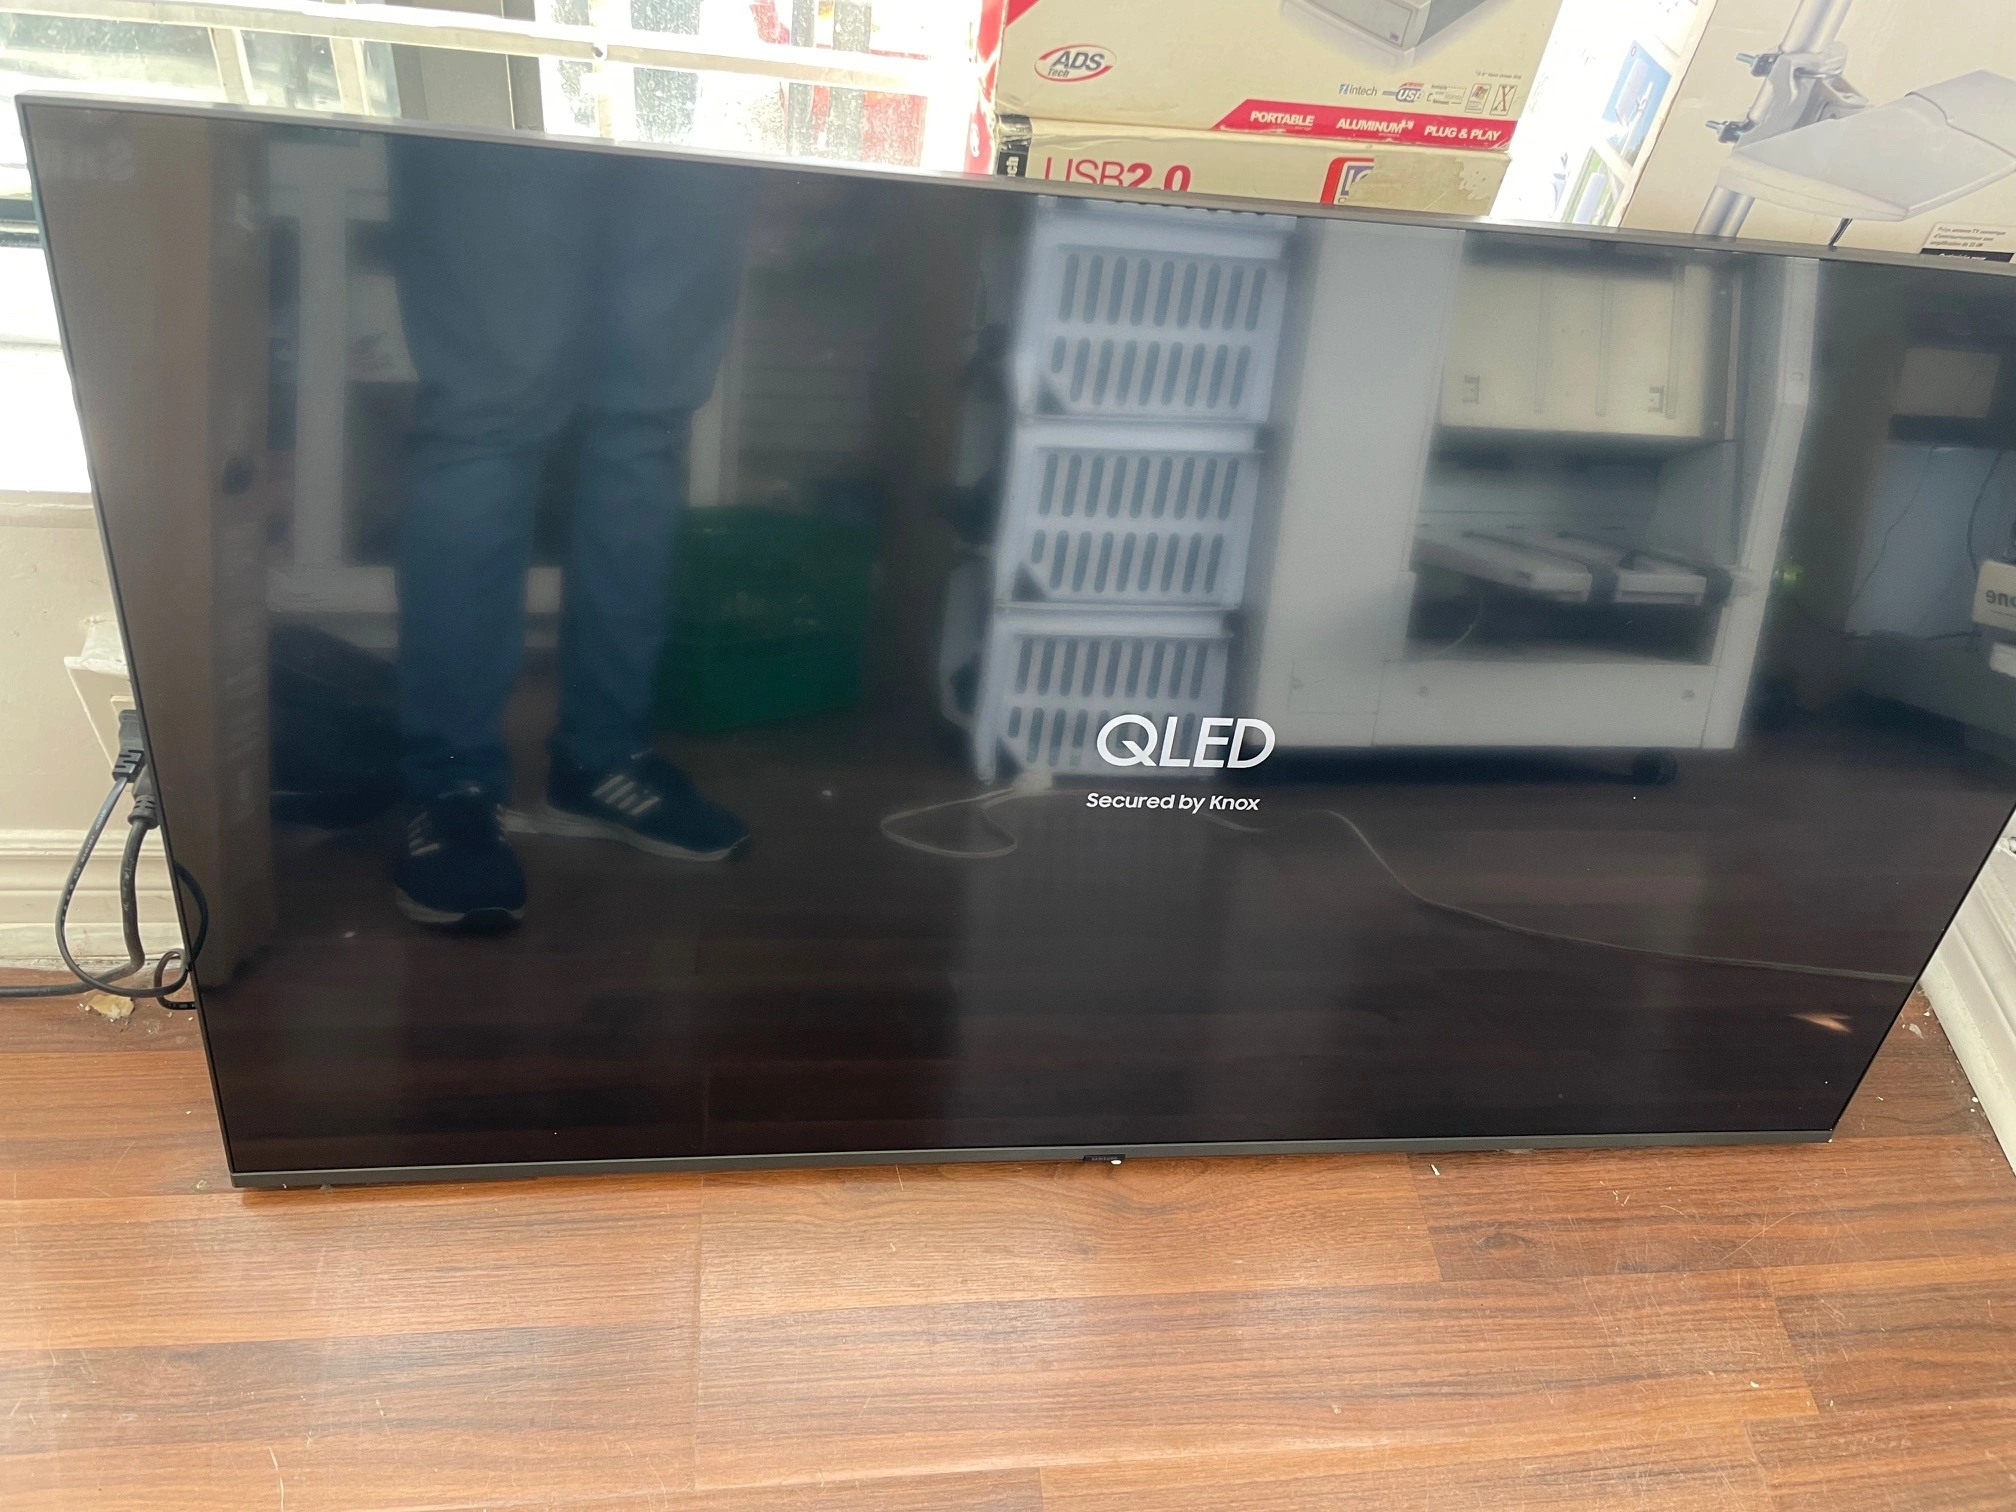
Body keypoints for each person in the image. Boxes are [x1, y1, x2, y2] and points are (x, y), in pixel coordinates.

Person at [386, 138, 753, 929]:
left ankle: (602, 762)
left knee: (646, 424)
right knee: (487, 414)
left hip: (702, 96)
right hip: (505, 78)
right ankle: (451, 785)